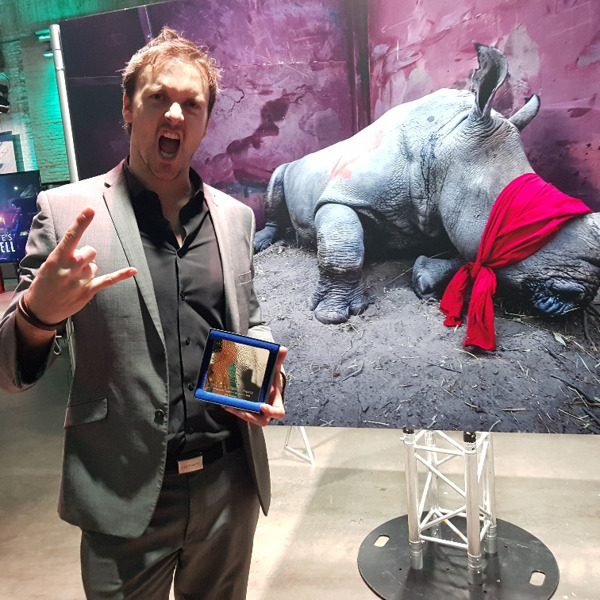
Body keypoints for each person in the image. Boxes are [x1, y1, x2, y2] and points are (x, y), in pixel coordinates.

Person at [0, 27, 286, 600]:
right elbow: (9, 369)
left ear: (205, 122)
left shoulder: (234, 218)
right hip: (123, 489)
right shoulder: (66, 212)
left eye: (192, 104)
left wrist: (265, 378)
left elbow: (245, 320)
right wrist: (37, 314)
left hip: (228, 483)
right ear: (129, 108)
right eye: (159, 97)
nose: (175, 114)